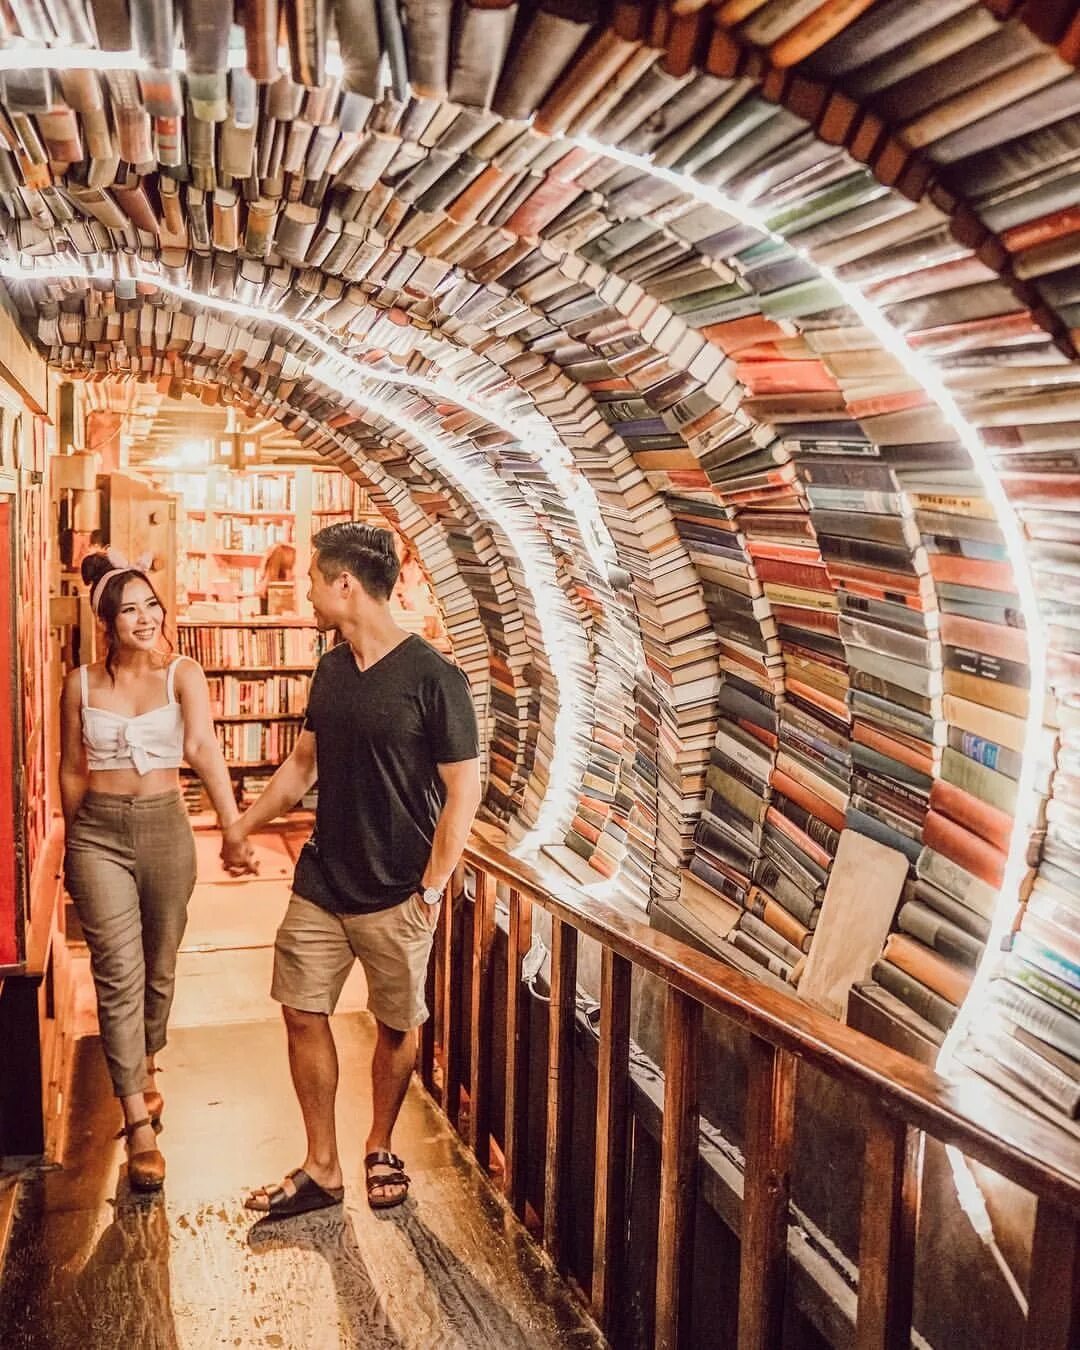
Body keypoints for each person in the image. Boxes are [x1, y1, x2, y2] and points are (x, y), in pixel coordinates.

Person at [222, 523, 481, 1218]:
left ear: (345, 585)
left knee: (395, 1027)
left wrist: (431, 886)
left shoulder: (435, 677)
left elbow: (464, 792)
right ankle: (323, 1166)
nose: (305, 589)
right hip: (323, 879)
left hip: (398, 889)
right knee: (301, 1011)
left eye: (313, 578)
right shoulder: (330, 668)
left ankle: (379, 1146)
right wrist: (242, 825)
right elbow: (303, 764)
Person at [59, 547, 256, 1192]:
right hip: (99, 835)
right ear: (106, 622)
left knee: (160, 965)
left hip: (167, 828)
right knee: (118, 974)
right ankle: (136, 1121)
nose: (145, 619)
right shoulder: (80, 685)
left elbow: (202, 747)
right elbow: (70, 769)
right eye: (129, 611)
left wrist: (233, 825)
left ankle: (146, 1060)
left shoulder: (183, 673)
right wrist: (72, 847)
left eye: (152, 606)